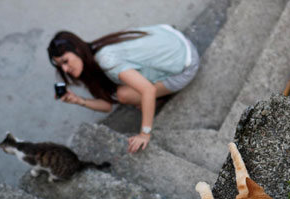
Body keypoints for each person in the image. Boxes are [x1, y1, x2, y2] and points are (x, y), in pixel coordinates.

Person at [48, 24, 200, 153]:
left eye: (65, 61)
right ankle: (151, 96)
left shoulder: (106, 60)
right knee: (123, 90)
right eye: (61, 65)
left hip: (187, 62)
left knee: (124, 95)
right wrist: (78, 100)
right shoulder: (94, 50)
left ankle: (157, 99)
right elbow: (107, 105)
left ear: (77, 50)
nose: (65, 69)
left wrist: (144, 134)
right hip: (171, 35)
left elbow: (148, 90)